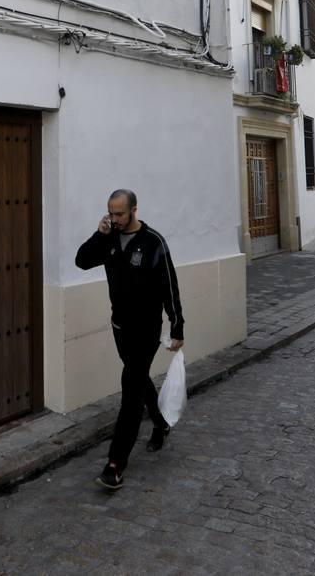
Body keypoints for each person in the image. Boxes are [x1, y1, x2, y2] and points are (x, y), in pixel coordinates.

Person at [75, 189, 186, 491]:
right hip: (120, 327)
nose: (114, 218)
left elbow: (169, 286)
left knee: (131, 389)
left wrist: (177, 326)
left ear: (134, 210)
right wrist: (99, 235)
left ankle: (115, 464)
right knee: (138, 378)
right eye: (111, 213)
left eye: (120, 213)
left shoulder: (153, 242)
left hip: (146, 329)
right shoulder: (109, 239)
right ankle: (160, 423)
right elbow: (81, 261)